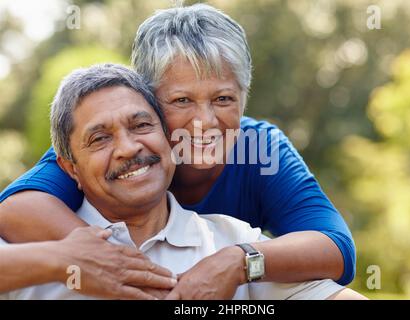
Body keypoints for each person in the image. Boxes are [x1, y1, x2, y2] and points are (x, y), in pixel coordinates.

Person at [0, 4, 356, 299]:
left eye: (224, 99)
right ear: (147, 101)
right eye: (182, 100)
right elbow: (16, 209)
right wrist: (113, 268)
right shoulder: (111, 150)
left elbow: (337, 248)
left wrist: (237, 262)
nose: (204, 121)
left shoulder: (258, 150)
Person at [0, 226, 176, 299]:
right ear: (71, 169)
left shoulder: (204, 234)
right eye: (98, 144)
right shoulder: (17, 239)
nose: (128, 149)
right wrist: (64, 259)